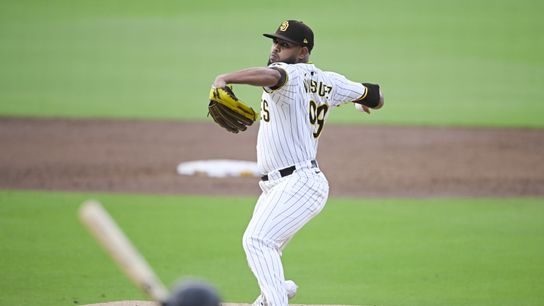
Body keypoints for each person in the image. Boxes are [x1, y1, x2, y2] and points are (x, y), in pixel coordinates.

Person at [212, 20, 384, 306]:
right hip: (284, 186)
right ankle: (279, 291)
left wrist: (224, 78)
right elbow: (375, 95)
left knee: (257, 241)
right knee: (268, 249)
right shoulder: (331, 80)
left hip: (298, 183)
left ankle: (278, 299)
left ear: (303, 52)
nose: (276, 48)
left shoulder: (286, 76)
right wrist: (359, 101)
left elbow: (273, 76)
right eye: (275, 42)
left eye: (285, 45)